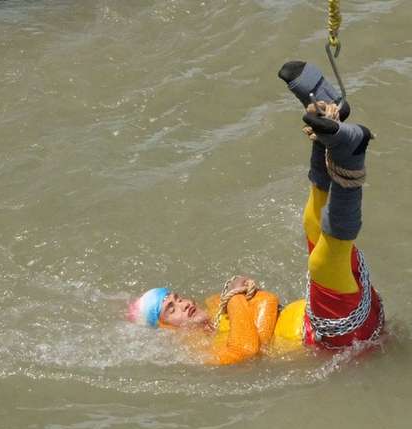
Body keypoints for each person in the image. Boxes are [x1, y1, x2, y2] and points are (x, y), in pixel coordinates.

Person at [127, 61, 384, 365]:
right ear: (166, 329)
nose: (182, 303)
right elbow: (246, 348)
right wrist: (237, 299)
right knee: (323, 263)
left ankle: (325, 114)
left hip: (340, 313)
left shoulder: (216, 308)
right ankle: (349, 155)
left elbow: (263, 301)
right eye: (170, 309)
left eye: (176, 297)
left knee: (313, 229)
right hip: (339, 337)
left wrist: (237, 299)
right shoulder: (202, 353)